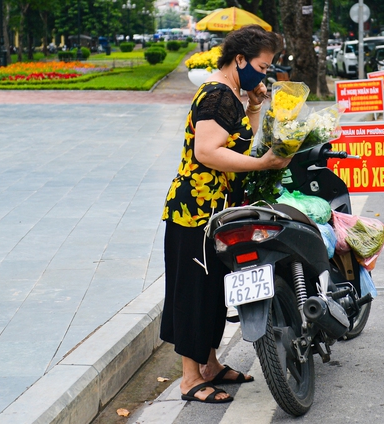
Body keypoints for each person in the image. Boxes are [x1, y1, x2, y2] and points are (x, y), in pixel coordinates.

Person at [160, 25, 290, 404]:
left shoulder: (233, 93)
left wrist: (253, 104)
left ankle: (211, 365)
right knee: (194, 291)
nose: (265, 74)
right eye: (262, 67)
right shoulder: (217, 95)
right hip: (195, 211)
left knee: (215, 289)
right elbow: (207, 151)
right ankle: (189, 378)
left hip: (219, 208)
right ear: (240, 59)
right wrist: (264, 164)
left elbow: (238, 143)